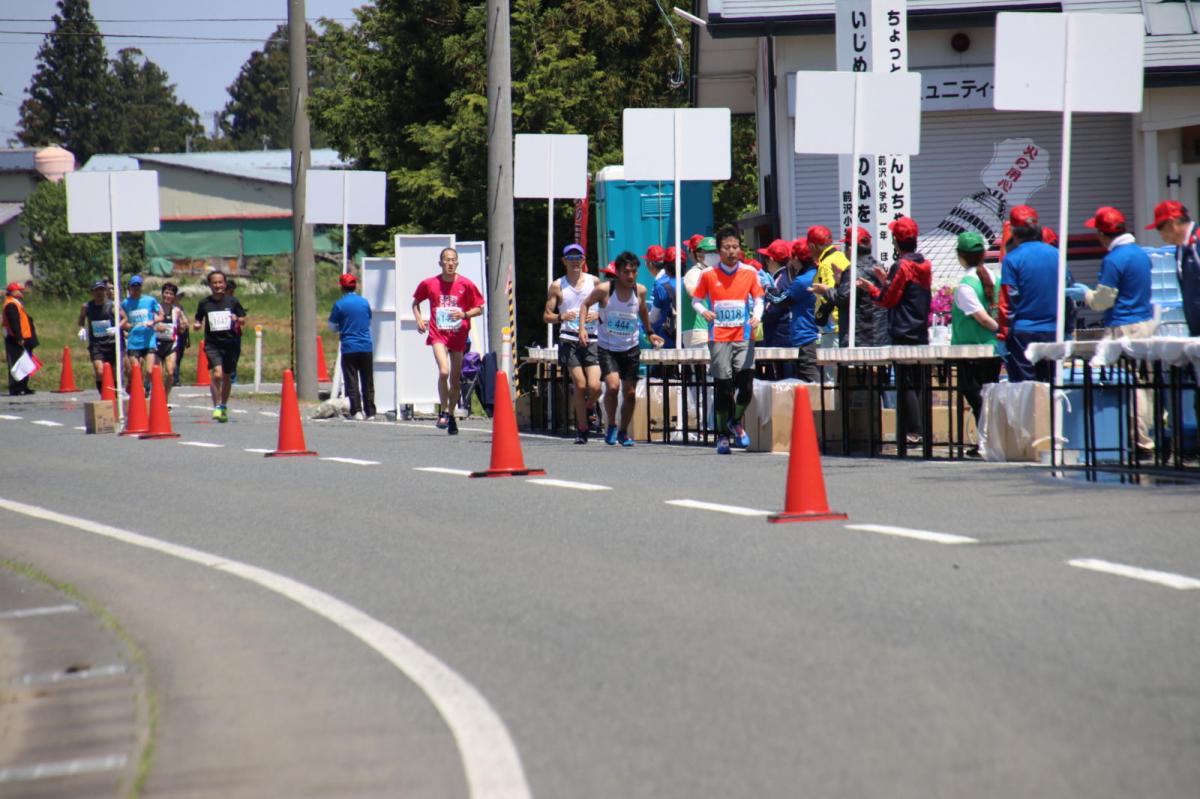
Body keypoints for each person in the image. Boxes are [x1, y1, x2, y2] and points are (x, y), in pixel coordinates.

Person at [1068, 206, 1156, 455]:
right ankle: (1145, 434)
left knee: (1130, 384)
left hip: (1123, 327)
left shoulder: (1114, 259)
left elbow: (1103, 300)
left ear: (1102, 232)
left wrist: (1084, 294)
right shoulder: (1140, 254)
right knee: (1144, 382)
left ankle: (1139, 440)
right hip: (1144, 323)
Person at [690, 226, 765, 454]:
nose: (732, 251)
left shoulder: (750, 273)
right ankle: (722, 435)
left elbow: (759, 299)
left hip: (743, 336)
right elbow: (696, 300)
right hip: (719, 337)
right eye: (727, 248)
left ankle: (735, 420)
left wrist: (756, 316)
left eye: (735, 247)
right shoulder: (708, 274)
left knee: (746, 385)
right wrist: (704, 311)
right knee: (723, 388)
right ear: (719, 251)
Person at [858, 216, 932, 444]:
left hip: (902, 329)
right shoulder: (924, 264)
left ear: (896, 241)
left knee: (906, 381)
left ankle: (913, 431)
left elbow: (887, 300)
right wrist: (885, 280)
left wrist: (872, 288)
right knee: (920, 381)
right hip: (920, 329)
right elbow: (908, 292)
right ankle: (923, 431)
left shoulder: (902, 265)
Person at [578, 250, 664, 446]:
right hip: (608, 348)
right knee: (613, 386)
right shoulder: (605, 289)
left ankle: (624, 431)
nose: (631, 276)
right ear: (617, 272)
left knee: (631, 393)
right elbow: (585, 304)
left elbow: (642, 309)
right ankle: (612, 425)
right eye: (626, 272)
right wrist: (582, 329)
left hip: (631, 347)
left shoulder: (640, 291)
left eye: (634, 271)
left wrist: (650, 332)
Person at [412, 247, 484, 435]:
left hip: (458, 335)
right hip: (438, 334)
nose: (450, 263)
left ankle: (451, 415)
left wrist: (464, 313)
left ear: (457, 263)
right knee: (444, 371)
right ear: (440, 263)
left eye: (453, 260)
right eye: (446, 260)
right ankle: (443, 411)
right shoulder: (430, 283)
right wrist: (419, 319)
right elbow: (415, 302)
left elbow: (480, 308)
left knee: (455, 380)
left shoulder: (466, 284)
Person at [949, 232, 1002, 456]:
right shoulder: (996, 276)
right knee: (987, 394)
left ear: (961, 257)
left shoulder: (965, 285)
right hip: (993, 349)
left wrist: (999, 330)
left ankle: (986, 442)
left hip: (971, 349)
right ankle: (986, 440)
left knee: (975, 393)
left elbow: (981, 317)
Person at [543, 243, 601, 442]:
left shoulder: (594, 282)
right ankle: (582, 428)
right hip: (569, 338)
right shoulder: (558, 285)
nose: (575, 262)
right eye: (571, 259)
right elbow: (546, 316)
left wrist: (598, 316)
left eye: (579, 258)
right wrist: (561, 317)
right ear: (564, 261)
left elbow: (608, 309)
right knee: (580, 384)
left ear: (584, 261)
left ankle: (588, 406)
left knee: (595, 386)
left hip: (592, 338)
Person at [998, 205, 1060, 383]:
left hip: (1023, 334)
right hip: (1053, 331)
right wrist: (1068, 328)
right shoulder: (1056, 254)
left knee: (1025, 390)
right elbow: (1067, 295)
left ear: (1013, 232)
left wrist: (1002, 336)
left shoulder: (1012, 259)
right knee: (1051, 385)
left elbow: (1008, 300)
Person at [813, 226, 887, 348]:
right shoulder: (878, 266)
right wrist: (838, 281)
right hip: (879, 334)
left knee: (850, 367)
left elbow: (842, 299)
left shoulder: (853, 270)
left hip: (858, 336)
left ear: (851, 249)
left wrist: (826, 290)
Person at [193, 270, 246, 422]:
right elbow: (198, 320)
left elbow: (242, 319)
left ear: (224, 283)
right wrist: (197, 325)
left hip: (230, 343)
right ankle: (216, 405)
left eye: (220, 282)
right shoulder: (204, 303)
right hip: (213, 343)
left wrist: (237, 319)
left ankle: (223, 405)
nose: (218, 285)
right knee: (217, 374)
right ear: (210, 285)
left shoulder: (232, 301)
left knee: (227, 376)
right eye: (214, 283)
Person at [765, 237, 821, 381]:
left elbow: (779, 301)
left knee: (810, 378)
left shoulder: (802, 281)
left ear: (796, 258)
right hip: (820, 333)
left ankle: (823, 404)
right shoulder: (819, 273)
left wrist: (767, 289)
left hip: (806, 335)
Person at [1148, 199, 1199, 337]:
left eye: (1160, 229)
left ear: (1172, 223)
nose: (1161, 235)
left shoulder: (1197, 243)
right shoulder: (1181, 248)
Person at [329, 272, 376, 421]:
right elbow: (368, 320)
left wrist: (342, 327)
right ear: (355, 286)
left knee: (352, 380)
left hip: (349, 347)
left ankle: (356, 411)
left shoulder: (339, 304)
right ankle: (371, 411)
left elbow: (332, 326)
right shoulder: (364, 302)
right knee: (367, 380)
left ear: (341, 287)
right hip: (366, 346)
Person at [120, 274, 162, 396]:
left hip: (148, 340)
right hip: (134, 341)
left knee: (149, 370)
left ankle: (147, 384)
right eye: (133, 287)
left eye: (138, 286)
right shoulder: (125, 303)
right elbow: (123, 321)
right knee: (136, 370)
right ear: (129, 288)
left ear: (141, 287)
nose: (136, 289)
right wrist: (127, 326)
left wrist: (153, 321)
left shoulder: (150, 300)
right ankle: (136, 390)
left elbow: (161, 315)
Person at [76, 280, 120, 395]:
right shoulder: (87, 306)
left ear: (105, 291)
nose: (99, 293)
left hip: (112, 343)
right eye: (96, 290)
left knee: (113, 372)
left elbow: (124, 318)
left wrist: (117, 327)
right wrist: (81, 328)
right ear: (92, 292)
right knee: (100, 371)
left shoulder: (111, 305)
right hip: (97, 344)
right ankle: (104, 394)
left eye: (101, 290)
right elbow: (81, 318)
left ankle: (114, 394)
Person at [154, 282, 188, 403]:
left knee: (170, 372)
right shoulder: (155, 308)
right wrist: (156, 327)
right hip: (156, 344)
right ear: (162, 294)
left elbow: (184, 324)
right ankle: (156, 395)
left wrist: (182, 325)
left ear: (174, 296)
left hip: (171, 344)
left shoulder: (177, 311)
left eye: (171, 294)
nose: (168, 296)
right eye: (166, 293)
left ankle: (165, 397)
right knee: (157, 374)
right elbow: (148, 324)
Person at [3, 281, 38, 395]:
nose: (22, 292)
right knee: (16, 363)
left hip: (25, 337)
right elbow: (14, 322)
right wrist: (19, 337)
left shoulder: (16, 303)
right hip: (17, 339)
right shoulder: (10, 304)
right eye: (19, 290)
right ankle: (15, 388)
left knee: (24, 363)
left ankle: (23, 386)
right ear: (13, 292)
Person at [681, 233, 711, 347]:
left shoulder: (694, 273)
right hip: (702, 331)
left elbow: (692, 293)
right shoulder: (705, 273)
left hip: (697, 331)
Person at [646, 244, 678, 349]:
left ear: (650, 264)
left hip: (664, 334)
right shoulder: (672, 278)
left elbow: (654, 317)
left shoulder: (659, 284)